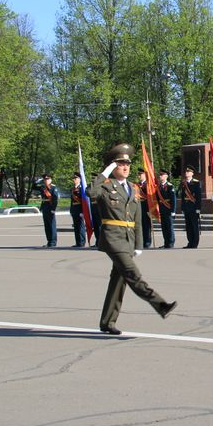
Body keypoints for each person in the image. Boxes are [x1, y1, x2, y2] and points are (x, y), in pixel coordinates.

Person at [91, 143, 176, 335]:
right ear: (113, 167)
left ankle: (107, 322)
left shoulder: (133, 187)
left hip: (128, 240)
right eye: (121, 164)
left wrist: (138, 243)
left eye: (127, 163)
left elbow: (137, 218)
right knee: (133, 275)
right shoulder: (105, 186)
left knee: (118, 281)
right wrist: (105, 172)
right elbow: (91, 193)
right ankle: (160, 305)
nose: (126, 167)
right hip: (113, 238)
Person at [179, 165, 202, 249]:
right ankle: (190, 242)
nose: (186, 173)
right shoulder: (183, 183)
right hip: (186, 207)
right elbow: (182, 196)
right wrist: (182, 208)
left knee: (194, 226)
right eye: (186, 172)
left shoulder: (196, 183)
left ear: (192, 173)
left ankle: (195, 243)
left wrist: (198, 208)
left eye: (188, 172)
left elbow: (198, 197)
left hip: (193, 207)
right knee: (188, 226)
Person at [157, 169, 176, 249]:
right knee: (164, 227)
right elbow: (157, 199)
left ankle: (171, 242)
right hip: (162, 209)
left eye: (162, 175)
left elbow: (173, 199)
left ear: (166, 176)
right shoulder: (158, 187)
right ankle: (166, 242)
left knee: (169, 226)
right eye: (160, 175)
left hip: (168, 209)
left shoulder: (170, 186)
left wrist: (173, 211)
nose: (160, 176)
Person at [39, 174, 58, 247]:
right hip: (44, 208)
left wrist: (53, 209)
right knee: (47, 226)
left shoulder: (53, 188)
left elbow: (55, 200)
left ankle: (53, 242)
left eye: (47, 179)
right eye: (44, 179)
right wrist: (39, 180)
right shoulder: (43, 187)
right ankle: (49, 241)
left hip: (50, 208)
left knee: (51, 225)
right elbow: (33, 186)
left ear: (51, 180)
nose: (46, 180)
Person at [69, 173, 86, 247]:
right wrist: (71, 210)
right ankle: (78, 242)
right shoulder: (72, 189)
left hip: (80, 209)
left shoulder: (82, 188)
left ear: (79, 179)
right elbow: (71, 201)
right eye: (73, 179)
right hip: (74, 209)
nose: (74, 180)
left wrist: (83, 211)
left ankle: (82, 242)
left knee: (80, 226)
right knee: (76, 226)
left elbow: (84, 201)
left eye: (75, 178)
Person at [136, 168, 152, 249]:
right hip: (139, 207)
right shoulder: (137, 185)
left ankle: (147, 242)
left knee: (146, 225)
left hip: (146, 207)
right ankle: (141, 242)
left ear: (145, 175)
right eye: (138, 174)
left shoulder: (149, 185)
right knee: (140, 226)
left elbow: (150, 197)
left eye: (140, 174)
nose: (139, 176)